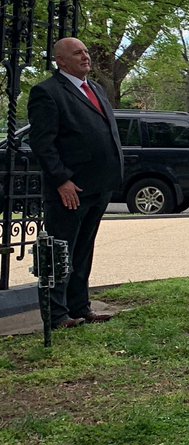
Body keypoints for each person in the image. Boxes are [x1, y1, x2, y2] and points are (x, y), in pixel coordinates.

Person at [27, 37, 123, 330]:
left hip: (99, 186)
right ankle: (56, 315)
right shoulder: (48, 93)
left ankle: (80, 306)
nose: (85, 57)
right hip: (71, 190)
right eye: (77, 53)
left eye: (85, 52)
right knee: (61, 251)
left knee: (83, 249)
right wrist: (62, 180)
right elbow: (43, 144)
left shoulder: (94, 88)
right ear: (61, 61)